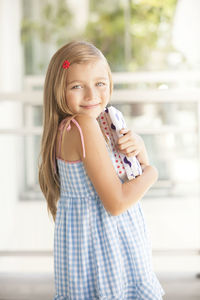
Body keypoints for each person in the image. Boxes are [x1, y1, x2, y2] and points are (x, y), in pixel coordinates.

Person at [38, 40, 165, 300]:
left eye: (99, 83)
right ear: (58, 89)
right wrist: (153, 171)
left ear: (109, 81)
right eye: (76, 86)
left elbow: (129, 175)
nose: (91, 95)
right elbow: (117, 202)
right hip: (105, 248)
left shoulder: (89, 123)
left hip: (98, 245)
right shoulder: (83, 125)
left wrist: (138, 147)